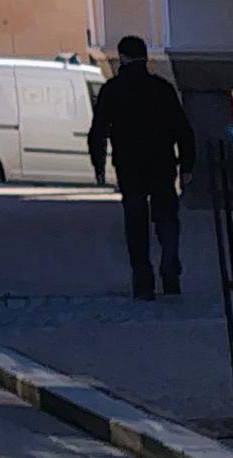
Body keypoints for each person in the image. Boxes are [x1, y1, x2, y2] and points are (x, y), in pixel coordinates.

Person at [87, 35, 196, 300]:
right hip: (162, 162)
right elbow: (183, 130)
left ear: (122, 57)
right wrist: (187, 166)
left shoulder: (113, 90)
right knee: (167, 217)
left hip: (129, 165)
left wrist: (99, 165)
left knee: (135, 221)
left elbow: (98, 131)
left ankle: (143, 280)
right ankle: (170, 266)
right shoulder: (162, 89)